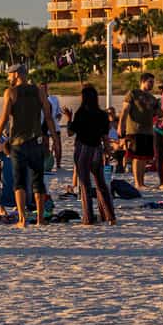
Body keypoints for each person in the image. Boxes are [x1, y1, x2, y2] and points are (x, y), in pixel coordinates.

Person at [0, 64, 60, 228]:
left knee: (20, 181)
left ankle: (22, 219)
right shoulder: (39, 91)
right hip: (36, 141)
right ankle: (40, 219)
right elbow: (49, 117)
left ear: (16, 74)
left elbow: (4, 118)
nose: (8, 78)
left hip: (18, 143)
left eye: (9, 75)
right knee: (38, 181)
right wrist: (55, 139)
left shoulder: (10, 92)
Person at [62, 85, 116, 225]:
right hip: (97, 150)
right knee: (101, 184)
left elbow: (70, 132)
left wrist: (69, 118)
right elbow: (105, 137)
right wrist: (108, 152)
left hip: (83, 150)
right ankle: (110, 216)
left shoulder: (81, 113)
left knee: (85, 184)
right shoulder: (102, 115)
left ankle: (88, 217)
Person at [118, 72, 158, 190]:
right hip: (135, 130)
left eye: (153, 82)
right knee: (136, 157)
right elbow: (125, 110)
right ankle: (137, 182)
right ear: (142, 81)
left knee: (144, 158)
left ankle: (142, 181)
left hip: (148, 130)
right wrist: (121, 125)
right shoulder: (133, 94)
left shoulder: (152, 98)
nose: (152, 84)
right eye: (150, 81)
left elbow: (159, 113)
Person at [38, 81, 63, 170]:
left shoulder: (54, 99)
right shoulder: (38, 100)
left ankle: (59, 164)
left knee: (58, 143)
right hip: (43, 125)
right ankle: (47, 163)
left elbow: (58, 111)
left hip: (53, 124)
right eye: (41, 88)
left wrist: (59, 115)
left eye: (45, 88)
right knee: (45, 145)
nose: (44, 90)